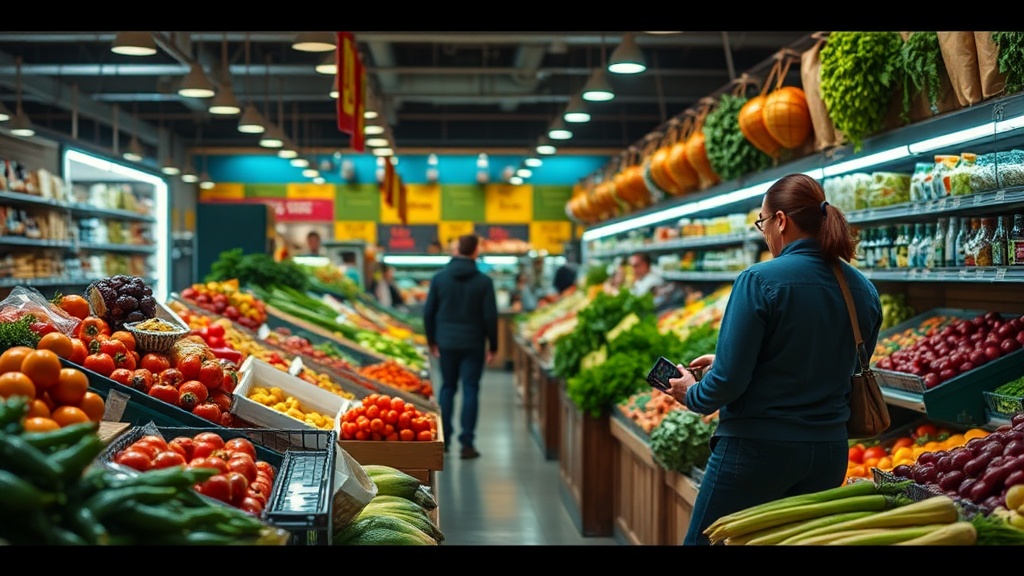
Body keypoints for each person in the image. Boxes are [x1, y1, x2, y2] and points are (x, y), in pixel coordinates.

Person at [664, 173, 882, 546]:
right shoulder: (861, 287)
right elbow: (839, 363)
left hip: (757, 451)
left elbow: (730, 383)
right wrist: (731, 358)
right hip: (828, 453)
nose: (763, 233)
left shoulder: (758, 280)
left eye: (763, 222)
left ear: (781, 220)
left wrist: (692, 394)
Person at [422, 234, 499, 460]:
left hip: (446, 342)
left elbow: (428, 313)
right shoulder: (484, 282)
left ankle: (444, 441)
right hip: (473, 342)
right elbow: (490, 317)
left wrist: (432, 341)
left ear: (457, 250)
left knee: (447, 387)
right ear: (475, 251)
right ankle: (467, 443)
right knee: (471, 389)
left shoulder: (440, 279)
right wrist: (493, 346)